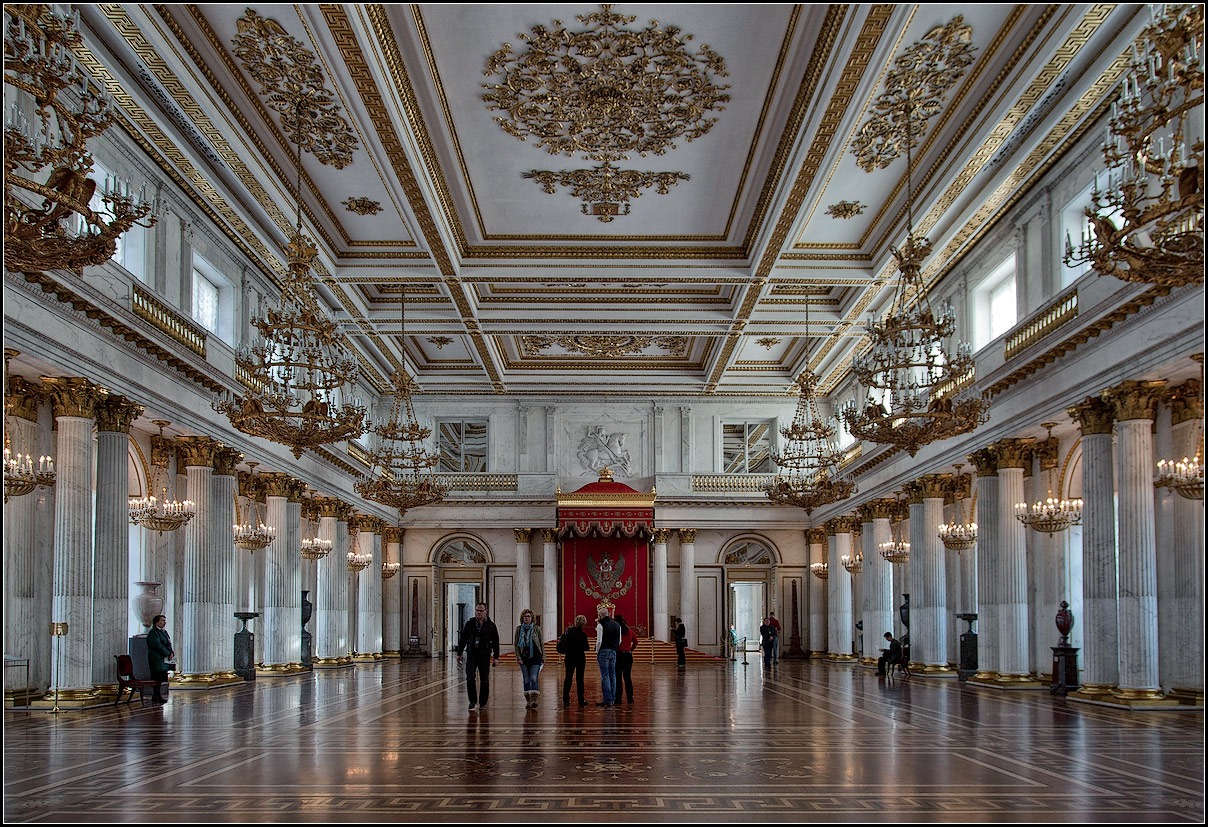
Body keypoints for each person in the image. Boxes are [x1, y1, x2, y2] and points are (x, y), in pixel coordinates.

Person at [455, 602, 499, 711]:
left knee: (484, 679)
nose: (478, 612)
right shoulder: (470, 623)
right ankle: (472, 701)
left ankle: (483, 703)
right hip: (471, 654)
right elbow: (463, 639)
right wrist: (459, 653)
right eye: (477, 610)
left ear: (486, 611)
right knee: (470, 678)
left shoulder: (491, 625)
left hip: (484, 654)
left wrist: (496, 657)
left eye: (481, 611)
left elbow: (495, 642)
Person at [514, 608, 544, 708]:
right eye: (525, 616)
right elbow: (516, 644)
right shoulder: (519, 629)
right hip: (524, 657)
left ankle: (534, 700)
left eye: (528, 616)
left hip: (535, 656)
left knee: (533, 678)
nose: (526, 618)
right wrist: (518, 657)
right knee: (526, 679)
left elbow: (541, 643)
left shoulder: (537, 629)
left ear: (532, 618)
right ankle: (528, 700)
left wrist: (543, 655)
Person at [560, 615, 590, 707]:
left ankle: (566, 699)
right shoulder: (582, 634)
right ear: (584, 623)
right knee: (580, 679)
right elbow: (586, 647)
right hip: (580, 657)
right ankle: (581, 700)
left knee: (568, 678)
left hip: (569, 657)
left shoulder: (568, 632)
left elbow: (564, 644)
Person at [146, 614, 174, 704]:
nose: (164, 622)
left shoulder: (164, 632)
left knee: (161, 678)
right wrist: (167, 653)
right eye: (162, 620)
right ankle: (156, 695)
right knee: (156, 677)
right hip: (156, 659)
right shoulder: (153, 632)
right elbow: (157, 645)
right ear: (156, 622)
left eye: (164, 621)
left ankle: (158, 695)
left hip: (163, 659)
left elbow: (168, 643)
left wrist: (171, 652)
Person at [596, 605, 621, 706]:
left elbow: (599, 641)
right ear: (608, 614)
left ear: (600, 615)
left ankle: (607, 699)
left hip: (604, 651)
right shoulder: (617, 625)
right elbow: (619, 640)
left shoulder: (600, 625)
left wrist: (597, 651)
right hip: (613, 651)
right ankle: (613, 698)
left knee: (605, 675)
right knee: (612, 675)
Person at [616, 613, 639, 704]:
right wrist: (630, 650)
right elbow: (636, 642)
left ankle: (618, 698)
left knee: (618, 677)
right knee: (627, 677)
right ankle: (630, 698)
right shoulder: (629, 630)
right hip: (628, 655)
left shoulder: (617, 630)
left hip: (618, 655)